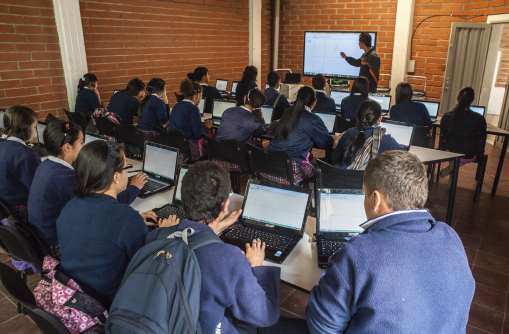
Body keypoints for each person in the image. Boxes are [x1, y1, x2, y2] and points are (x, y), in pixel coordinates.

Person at [306, 150, 475, 333]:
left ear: (376, 200)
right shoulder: (450, 235)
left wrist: (337, 273)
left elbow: (321, 327)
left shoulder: (356, 253)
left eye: (364, 193)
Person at [146, 161, 280, 334]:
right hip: (200, 328)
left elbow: (192, 238)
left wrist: (219, 225)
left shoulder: (155, 237)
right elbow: (266, 315)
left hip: (162, 323)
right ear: (225, 205)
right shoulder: (228, 259)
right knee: (251, 323)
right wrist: (256, 267)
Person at [56, 141, 175, 308]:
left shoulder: (70, 206)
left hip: (75, 294)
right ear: (116, 176)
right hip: (108, 304)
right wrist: (164, 234)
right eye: (127, 168)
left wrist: (133, 223)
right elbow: (148, 266)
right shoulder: (125, 218)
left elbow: (99, 227)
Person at [28, 120, 148, 259]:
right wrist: (134, 189)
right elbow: (104, 205)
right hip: (54, 244)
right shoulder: (65, 179)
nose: (84, 146)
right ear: (67, 147)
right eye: (81, 142)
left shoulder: (46, 166)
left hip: (46, 239)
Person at [266, 86, 332, 184]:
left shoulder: (287, 112)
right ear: (315, 102)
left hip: (269, 165)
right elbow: (326, 143)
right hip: (290, 171)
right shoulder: (313, 119)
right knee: (319, 169)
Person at [332, 100, 403, 169]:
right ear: (380, 118)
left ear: (358, 117)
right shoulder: (386, 140)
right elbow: (405, 159)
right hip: (366, 180)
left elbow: (334, 159)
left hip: (340, 179)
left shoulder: (349, 133)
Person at [0, 105, 41, 223]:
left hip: (6, 206)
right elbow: (39, 188)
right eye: (34, 126)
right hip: (20, 208)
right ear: (25, 128)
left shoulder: (2, 145)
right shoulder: (25, 154)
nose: (35, 131)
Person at [439, 87, 487, 179]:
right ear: (472, 100)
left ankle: (452, 169)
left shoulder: (447, 116)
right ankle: (451, 169)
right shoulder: (479, 119)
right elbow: (482, 139)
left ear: (457, 98)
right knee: (465, 149)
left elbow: (442, 135)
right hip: (470, 153)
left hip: (449, 151)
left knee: (454, 148)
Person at [168, 79, 213, 162]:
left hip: (176, 146)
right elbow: (198, 135)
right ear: (198, 95)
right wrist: (207, 127)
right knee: (212, 141)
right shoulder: (193, 109)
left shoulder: (177, 105)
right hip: (189, 148)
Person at [216, 88, 267, 152]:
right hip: (236, 156)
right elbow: (263, 131)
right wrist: (259, 115)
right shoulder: (254, 121)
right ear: (260, 107)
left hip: (218, 153)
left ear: (245, 98)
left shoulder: (227, 111)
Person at [137, 78, 169, 143]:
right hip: (151, 134)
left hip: (140, 133)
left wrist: (166, 102)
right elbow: (164, 124)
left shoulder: (147, 97)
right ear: (161, 90)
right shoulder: (158, 102)